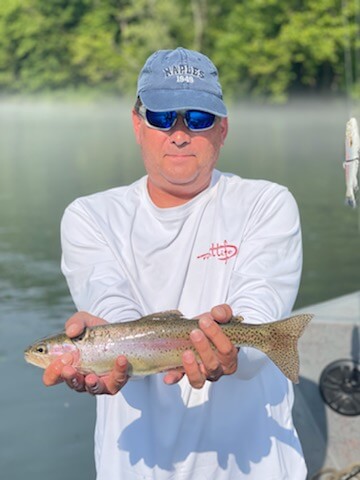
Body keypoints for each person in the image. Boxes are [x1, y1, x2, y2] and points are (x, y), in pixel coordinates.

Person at [44, 47, 307, 479]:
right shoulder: (89, 216)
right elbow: (115, 310)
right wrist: (106, 358)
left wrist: (235, 348)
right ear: (137, 123)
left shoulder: (267, 202)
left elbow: (261, 315)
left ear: (222, 129)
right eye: (163, 117)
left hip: (257, 466)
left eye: (198, 118)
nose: (179, 134)